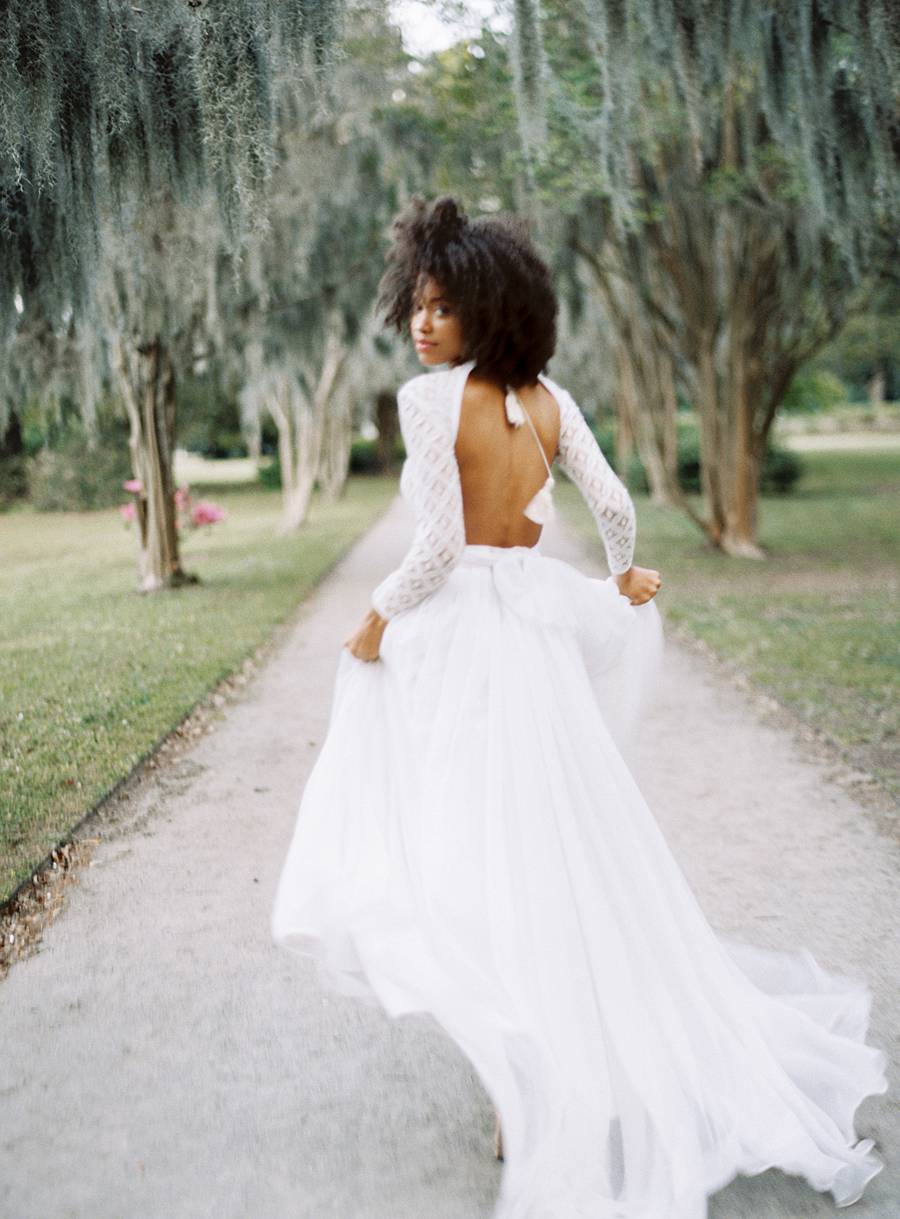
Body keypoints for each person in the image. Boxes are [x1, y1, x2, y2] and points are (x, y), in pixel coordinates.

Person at [270, 195, 887, 1218]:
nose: (423, 325)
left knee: (470, 850)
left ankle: (525, 1077)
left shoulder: (430, 405)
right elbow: (612, 501)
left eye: (442, 305)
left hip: (467, 638)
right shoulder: (549, 400)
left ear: (486, 305)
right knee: (553, 842)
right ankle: (544, 1055)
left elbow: (429, 553)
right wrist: (620, 575)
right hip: (536, 633)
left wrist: (375, 618)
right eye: (416, 305)